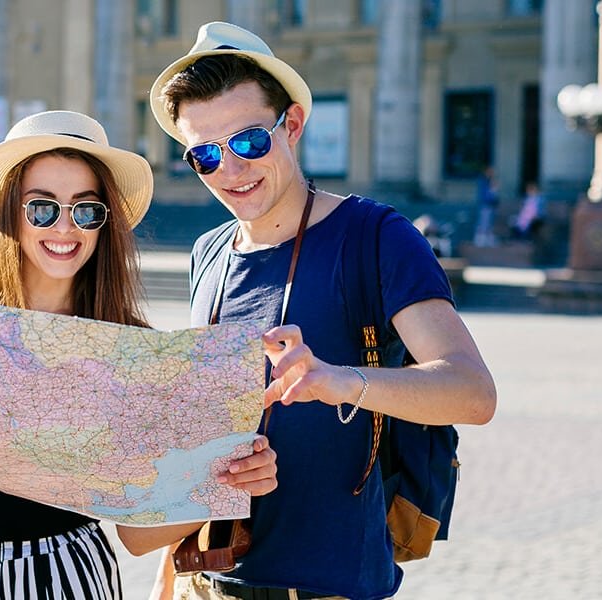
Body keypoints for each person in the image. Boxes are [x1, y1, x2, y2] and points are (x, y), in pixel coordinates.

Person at [0, 110, 279, 599]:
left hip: (71, 577)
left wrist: (228, 484)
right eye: (41, 208)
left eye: (86, 210)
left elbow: (134, 536)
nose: (65, 227)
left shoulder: (128, 347)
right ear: (10, 215)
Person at [147, 22, 497, 599]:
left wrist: (339, 380)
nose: (230, 170)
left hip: (331, 583)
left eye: (249, 142)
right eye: (204, 155)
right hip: (207, 580)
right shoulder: (206, 251)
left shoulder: (376, 236)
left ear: (292, 125)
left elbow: (472, 392)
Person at [474, 165, 500, 247]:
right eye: (490, 171)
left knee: (488, 223)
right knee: (483, 222)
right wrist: (492, 188)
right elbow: (486, 194)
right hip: (485, 204)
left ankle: (487, 240)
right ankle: (480, 241)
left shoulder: (489, 181)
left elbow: (493, 194)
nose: (492, 173)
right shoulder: (483, 181)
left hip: (490, 205)